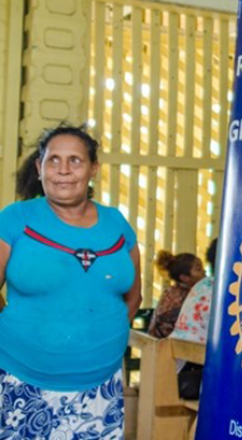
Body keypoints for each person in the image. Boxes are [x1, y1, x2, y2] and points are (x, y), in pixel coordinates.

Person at [0, 125, 142, 438]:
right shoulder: (14, 219)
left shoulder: (117, 224)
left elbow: (133, 298)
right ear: (39, 168)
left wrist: (97, 339)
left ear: (93, 169)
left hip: (100, 387)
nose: (63, 170)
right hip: (21, 380)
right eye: (53, 160)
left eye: (75, 160)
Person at [148, 250, 206, 339]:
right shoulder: (186, 297)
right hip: (170, 347)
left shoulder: (171, 291)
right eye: (198, 269)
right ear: (184, 278)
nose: (204, 271)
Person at [171, 238, 217, 344]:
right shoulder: (222, 290)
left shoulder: (203, 284)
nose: (204, 272)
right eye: (198, 269)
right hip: (194, 354)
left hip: (176, 351)